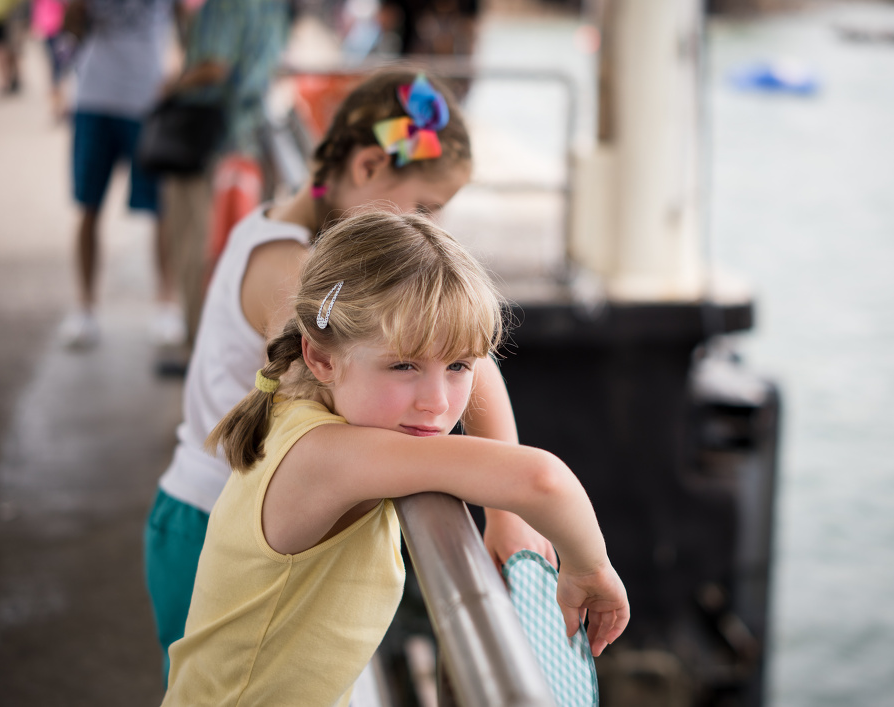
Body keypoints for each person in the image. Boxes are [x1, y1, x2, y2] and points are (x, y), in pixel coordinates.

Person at [143, 68, 556, 681]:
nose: (428, 230)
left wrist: (505, 513)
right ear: (366, 168)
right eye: (423, 207)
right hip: (209, 527)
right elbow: (442, 357)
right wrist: (506, 510)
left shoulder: (307, 248)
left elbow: (456, 351)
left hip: (246, 517)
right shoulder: (288, 269)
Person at [162, 208, 630, 704]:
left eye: (456, 367)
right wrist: (589, 570)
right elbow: (542, 481)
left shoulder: (300, 398)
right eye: (404, 365)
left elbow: (474, 362)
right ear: (321, 357)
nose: (437, 401)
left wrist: (505, 517)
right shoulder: (327, 457)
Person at [159, 0, 290, 352]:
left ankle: (198, 344)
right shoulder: (273, 7)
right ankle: (234, 343)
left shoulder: (225, 4)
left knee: (196, 243)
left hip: (210, 143)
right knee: (244, 246)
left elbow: (214, 67)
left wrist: (169, 88)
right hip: (251, 139)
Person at [59, 0, 183, 350]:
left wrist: (181, 74)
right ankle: (84, 307)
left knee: (162, 208)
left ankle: (166, 304)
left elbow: (186, 20)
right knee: (88, 204)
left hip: (147, 98)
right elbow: (70, 29)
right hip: (94, 97)